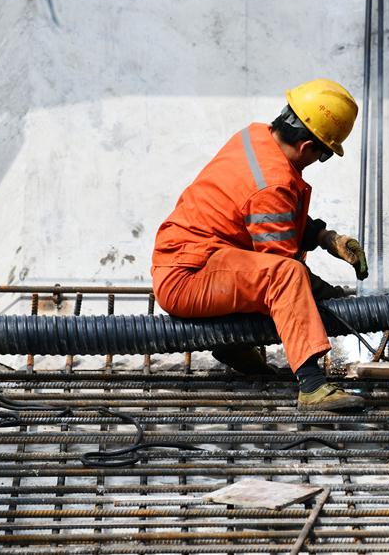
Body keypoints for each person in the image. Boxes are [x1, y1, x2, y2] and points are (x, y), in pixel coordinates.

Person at [151, 78, 368, 412]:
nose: (317, 161)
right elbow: (280, 270)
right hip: (189, 276)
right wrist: (332, 296)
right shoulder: (273, 184)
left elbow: (264, 215)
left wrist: (328, 239)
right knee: (286, 278)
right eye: (324, 154)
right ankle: (312, 385)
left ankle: (233, 344)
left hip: (194, 259)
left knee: (276, 276)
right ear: (307, 147)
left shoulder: (254, 138)